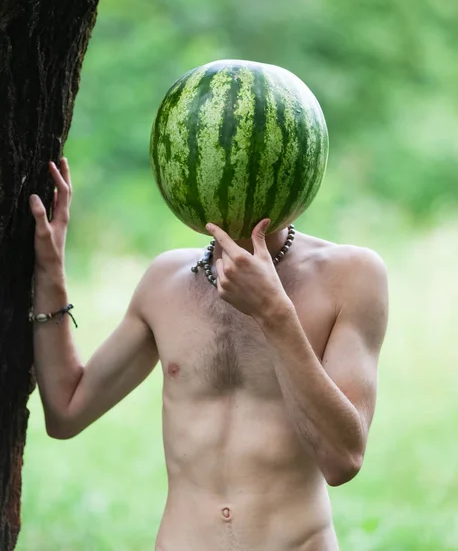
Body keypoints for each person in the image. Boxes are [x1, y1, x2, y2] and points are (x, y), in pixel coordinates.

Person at [29, 158, 389, 551]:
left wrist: (275, 314)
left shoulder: (352, 276)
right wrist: (50, 272)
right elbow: (66, 410)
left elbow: (343, 459)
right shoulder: (164, 281)